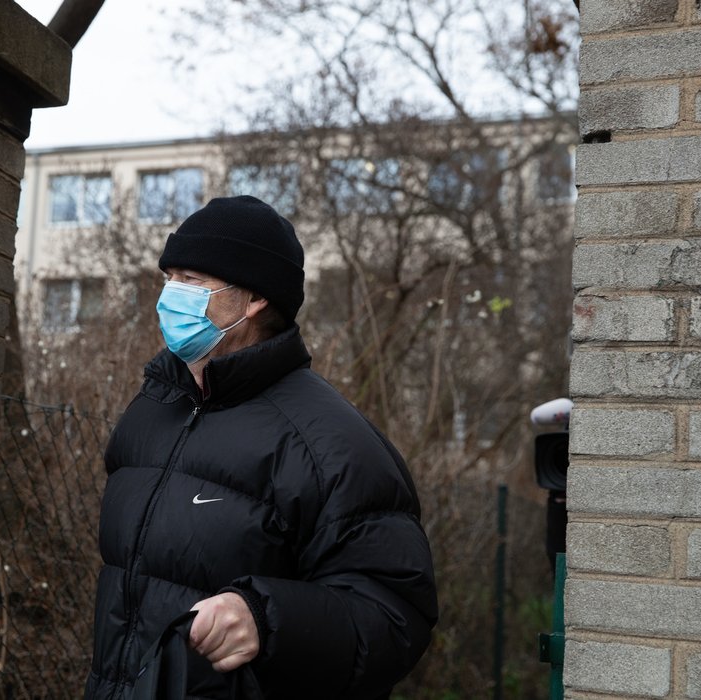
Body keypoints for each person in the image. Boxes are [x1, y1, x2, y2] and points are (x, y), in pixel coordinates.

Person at [85, 195, 438, 699]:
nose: (171, 295)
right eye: (170, 276)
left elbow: (395, 616)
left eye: (192, 280)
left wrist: (266, 617)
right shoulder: (150, 410)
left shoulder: (331, 445)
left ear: (253, 300)